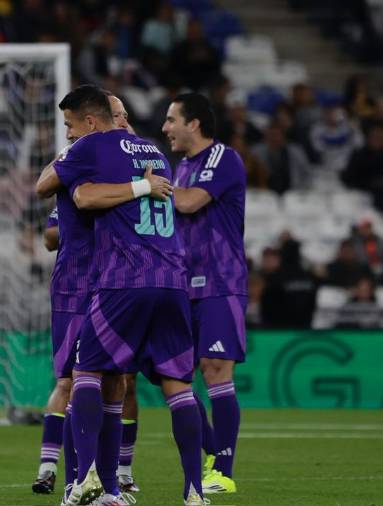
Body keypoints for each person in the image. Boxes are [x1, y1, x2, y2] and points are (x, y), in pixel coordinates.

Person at [37, 84, 204, 506]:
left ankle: (96, 484)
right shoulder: (148, 154)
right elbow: (50, 208)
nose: (69, 133)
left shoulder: (100, 150)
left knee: (99, 379)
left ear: (92, 122)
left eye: (71, 125)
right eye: (119, 113)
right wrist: (139, 185)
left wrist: (132, 185)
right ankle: (95, 485)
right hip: (136, 279)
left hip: (115, 279)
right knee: (153, 384)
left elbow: (80, 196)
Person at [162, 92, 246, 495]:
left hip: (219, 281)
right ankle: (212, 451)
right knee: (172, 374)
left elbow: (192, 203)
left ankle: (223, 472)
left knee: (215, 367)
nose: (166, 129)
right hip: (181, 283)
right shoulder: (180, 167)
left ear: (193, 123)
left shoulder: (221, 158)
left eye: (171, 120)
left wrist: (146, 187)